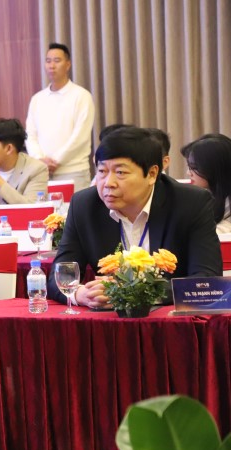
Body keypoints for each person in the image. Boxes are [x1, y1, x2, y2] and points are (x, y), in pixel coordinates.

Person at [47, 127, 222, 308]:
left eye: (120, 173)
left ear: (152, 174)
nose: (108, 183)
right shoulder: (84, 206)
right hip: (111, 320)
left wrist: (130, 293)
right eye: (102, 171)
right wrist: (81, 294)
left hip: (170, 317)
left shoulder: (191, 203)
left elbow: (207, 279)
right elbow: (60, 275)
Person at [25, 43, 95, 191]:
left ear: (68, 64)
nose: (52, 65)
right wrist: (40, 160)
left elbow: (80, 137)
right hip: (42, 173)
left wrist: (55, 161)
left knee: (74, 207)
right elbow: (30, 135)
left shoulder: (81, 96)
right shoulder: (37, 99)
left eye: (57, 61)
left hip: (73, 171)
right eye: (48, 61)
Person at [180, 133, 231, 234]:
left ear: (214, 168)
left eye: (194, 167)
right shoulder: (205, 197)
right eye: (189, 167)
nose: (188, 173)